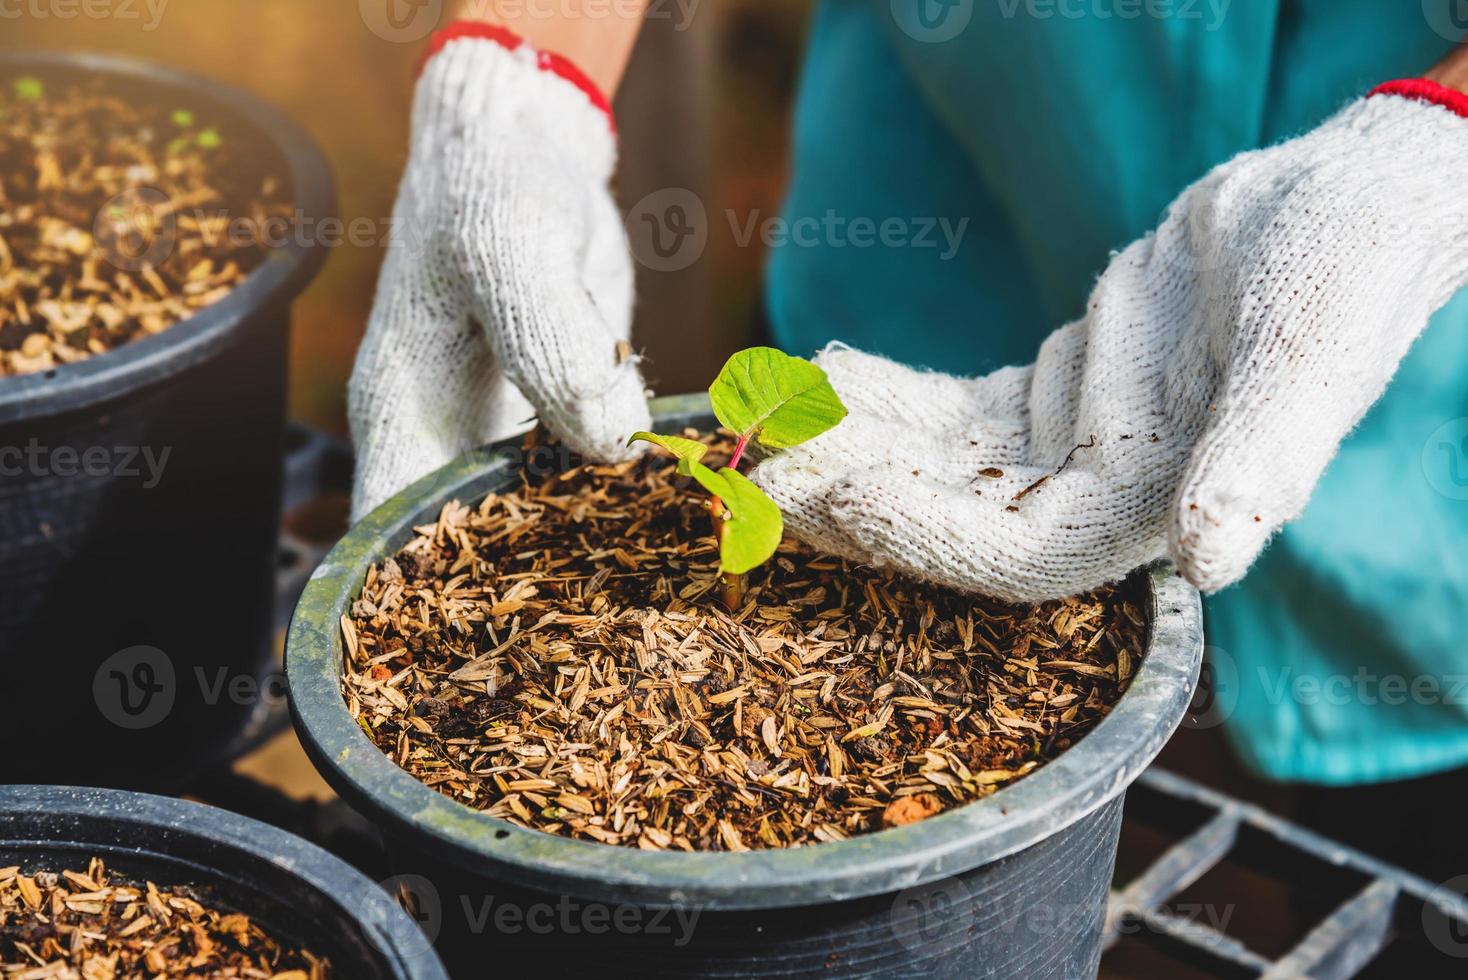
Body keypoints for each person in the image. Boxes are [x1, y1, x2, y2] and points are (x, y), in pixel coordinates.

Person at [349, 2, 1468, 875]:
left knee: (1413, 866)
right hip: (939, 268)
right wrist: (526, 62)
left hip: (1425, 404)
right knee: (805, 494)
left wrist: (1431, 151)